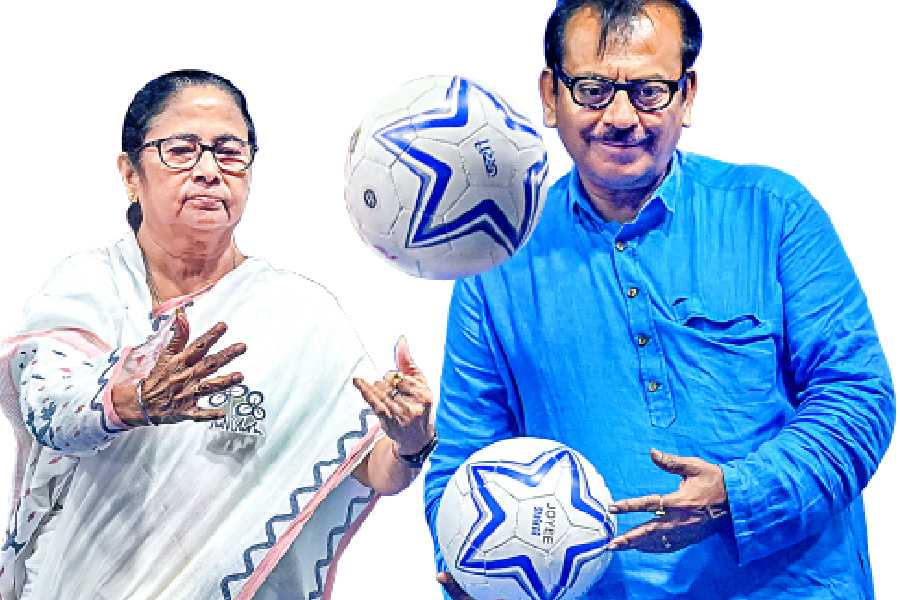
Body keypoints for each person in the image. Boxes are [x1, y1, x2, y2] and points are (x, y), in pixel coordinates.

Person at [424, 1, 895, 599]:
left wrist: (737, 495)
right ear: (550, 95)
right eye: (592, 90)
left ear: (687, 93)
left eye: (649, 91)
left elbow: (859, 400)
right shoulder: (499, 261)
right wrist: (469, 571)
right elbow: (465, 454)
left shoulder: (773, 212)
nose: (620, 117)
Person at [0, 69, 437, 600]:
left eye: (230, 152)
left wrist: (410, 443)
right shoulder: (87, 287)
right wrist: (128, 400)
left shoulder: (299, 315)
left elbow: (369, 469)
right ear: (130, 173)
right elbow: (48, 410)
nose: (209, 171)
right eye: (181, 149)